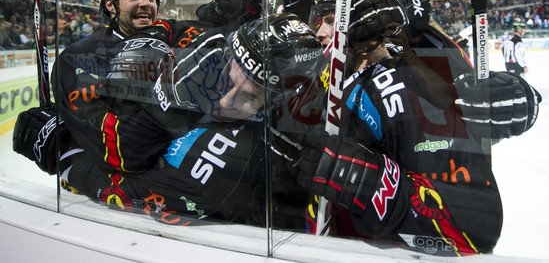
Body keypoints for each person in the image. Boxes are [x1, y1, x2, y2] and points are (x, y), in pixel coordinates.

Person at [297, 0, 541, 256]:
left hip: (373, 251)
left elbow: (471, 230)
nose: (319, 32)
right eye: (319, 22)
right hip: (327, 245)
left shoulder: (398, 88)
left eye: (331, 20)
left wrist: (371, 185)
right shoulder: (328, 74)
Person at [15, 12, 322, 229]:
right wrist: (159, 29)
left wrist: (63, 151)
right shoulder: (216, 50)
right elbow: (192, 33)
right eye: (235, 71)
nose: (228, 99)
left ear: (276, 102)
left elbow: (129, 192)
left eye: (251, 95)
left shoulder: (223, 159)